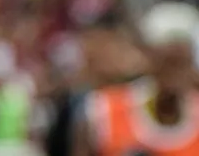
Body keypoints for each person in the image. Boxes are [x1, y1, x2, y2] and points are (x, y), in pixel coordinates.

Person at [73, 2, 199, 156]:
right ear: (149, 59)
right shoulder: (103, 111)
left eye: (181, 64)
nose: (174, 77)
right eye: (167, 64)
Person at [45, 11, 144, 156]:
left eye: (105, 45)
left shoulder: (138, 94)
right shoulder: (74, 99)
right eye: (91, 45)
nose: (97, 54)